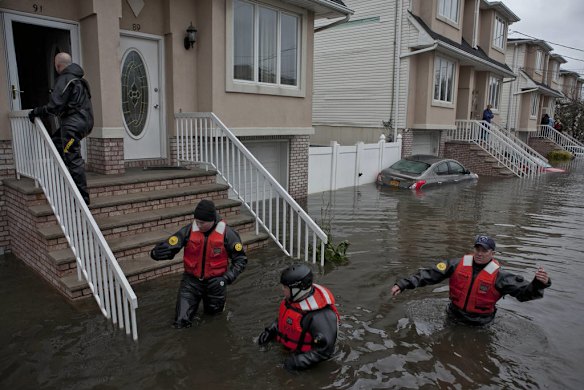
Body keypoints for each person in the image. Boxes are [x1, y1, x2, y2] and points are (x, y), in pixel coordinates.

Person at [390, 235, 551, 326]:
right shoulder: (456, 264)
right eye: (477, 249)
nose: (480, 253)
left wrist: (538, 283)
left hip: (480, 323)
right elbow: (429, 275)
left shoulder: (501, 276)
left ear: (492, 253)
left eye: (484, 251)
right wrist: (402, 284)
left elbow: (524, 294)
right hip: (454, 315)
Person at [150, 199, 247, 328]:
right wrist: (157, 253)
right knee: (180, 322)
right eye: (196, 221)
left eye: (202, 222)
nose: (198, 225)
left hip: (216, 284)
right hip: (191, 282)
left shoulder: (228, 234)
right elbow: (171, 245)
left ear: (212, 220)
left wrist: (227, 278)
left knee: (215, 323)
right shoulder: (189, 230)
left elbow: (240, 260)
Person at [28, 52, 93, 205]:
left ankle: (82, 200)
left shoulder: (64, 79)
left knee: (72, 157)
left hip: (73, 126)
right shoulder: (80, 80)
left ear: (58, 66)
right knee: (56, 144)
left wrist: (36, 111)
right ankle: (63, 179)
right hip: (85, 123)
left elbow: (54, 107)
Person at [258, 264, 340, 370]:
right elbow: (286, 319)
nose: (282, 290)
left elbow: (325, 350)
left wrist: (296, 362)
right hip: (289, 348)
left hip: (305, 359)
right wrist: (271, 330)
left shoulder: (320, 315)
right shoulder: (294, 300)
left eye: (285, 287)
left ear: (298, 289)